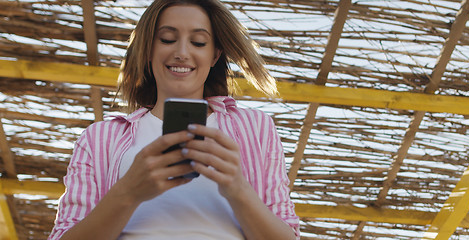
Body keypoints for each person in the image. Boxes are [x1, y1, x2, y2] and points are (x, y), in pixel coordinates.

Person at [49, 0, 300, 239]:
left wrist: (238, 190)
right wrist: (128, 192)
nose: (182, 52)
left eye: (199, 42)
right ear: (148, 49)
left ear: (214, 56)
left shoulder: (255, 127)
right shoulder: (99, 138)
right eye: (167, 39)